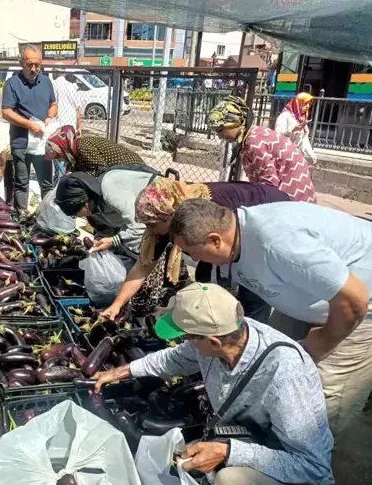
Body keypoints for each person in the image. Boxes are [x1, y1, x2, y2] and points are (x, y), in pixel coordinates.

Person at [169, 198, 372, 482]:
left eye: (192, 252)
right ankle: (270, 459)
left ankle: (310, 472)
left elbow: (355, 300)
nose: (195, 260)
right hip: (312, 300)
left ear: (215, 240)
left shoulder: (279, 245)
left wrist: (319, 344)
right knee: (267, 369)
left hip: (356, 312)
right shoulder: (234, 240)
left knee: (318, 410)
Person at [94, 283, 334, 485]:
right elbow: (174, 358)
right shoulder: (229, 330)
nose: (183, 343)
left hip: (292, 467)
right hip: (249, 437)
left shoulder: (284, 375)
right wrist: (120, 373)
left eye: (186, 337)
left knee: (229, 479)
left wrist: (228, 451)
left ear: (213, 342)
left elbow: (312, 466)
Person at [101, 178, 290, 321]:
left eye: (152, 225)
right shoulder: (166, 219)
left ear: (168, 217)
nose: (149, 230)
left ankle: (249, 343)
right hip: (230, 229)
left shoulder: (206, 214)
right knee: (208, 280)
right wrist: (116, 305)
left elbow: (225, 256)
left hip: (269, 213)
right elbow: (143, 267)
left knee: (253, 288)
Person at [208, 95, 316, 203]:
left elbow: (269, 186)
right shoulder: (254, 135)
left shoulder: (254, 142)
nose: (220, 136)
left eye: (220, 130)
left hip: (293, 199)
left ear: (235, 121)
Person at [54, 166, 155, 269]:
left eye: (75, 214)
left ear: (85, 204)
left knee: (133, 251)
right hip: (147, 216)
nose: (77, 217)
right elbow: (111, 227)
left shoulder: (110, 191)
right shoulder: (96, 203)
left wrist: (113, 241)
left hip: (159, 205)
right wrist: (100, 237)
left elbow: (139, 227)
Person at [1, 45, 57, 210]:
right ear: (21, 63)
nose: (33, 69)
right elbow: (6, 112)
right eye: (29, 64)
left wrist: (49, 117)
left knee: (46, 183)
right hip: (21, 142)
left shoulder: (46, 82)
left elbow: (53, 105)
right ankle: (21, 219)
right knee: (21, 183)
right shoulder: (12, 84)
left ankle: (47, 216)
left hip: (42, 143)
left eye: (37, 65)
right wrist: (29, 125)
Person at [46, 126, 145, 176]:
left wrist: (79, 177)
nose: (59, 161)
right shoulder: (76, 152)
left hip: (133, 170)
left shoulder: (82, 147)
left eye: (58, 156)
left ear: (64, 149)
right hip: (121, 173)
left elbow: (101, 170)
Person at [274, 92, 318, 164]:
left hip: (295, 156)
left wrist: (311, 154)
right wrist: (293, 131)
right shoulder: (285, 116)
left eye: (309, 104)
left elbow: (304, 139)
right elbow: (277, 135)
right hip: (283, 155)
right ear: (298, 103)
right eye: (305, 103)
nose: (307, 106)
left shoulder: (301, 119)